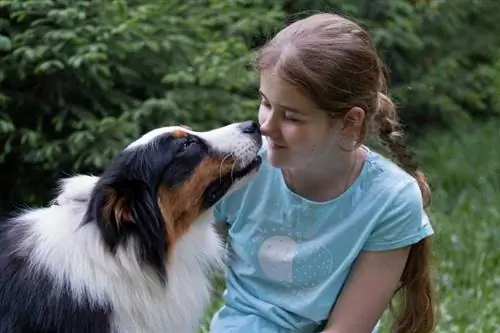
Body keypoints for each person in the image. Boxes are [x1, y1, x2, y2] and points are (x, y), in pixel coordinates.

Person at [209, 12, 436, 333]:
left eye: (292, 118)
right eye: (265, 103)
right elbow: (169, 269)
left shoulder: (390, 200)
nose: (265, 126)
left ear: (349, 122)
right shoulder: (237, 169)